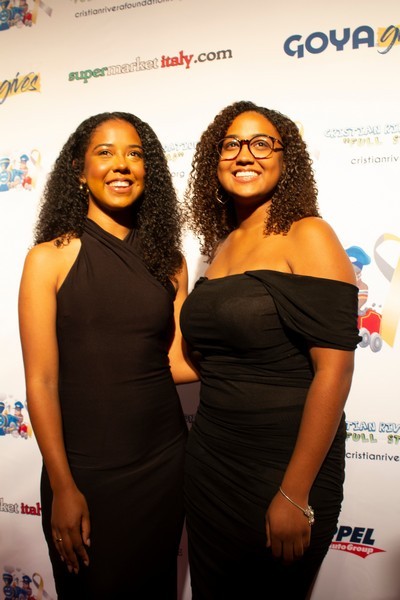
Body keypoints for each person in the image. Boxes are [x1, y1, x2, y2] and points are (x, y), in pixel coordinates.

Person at [180, 100, 361, 599]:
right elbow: (209, 359)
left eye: (262, 143)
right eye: (232, 144)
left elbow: (335, 372)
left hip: (284, 468)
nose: (245, 155)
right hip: (211, 464)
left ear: (287, 158)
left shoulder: (309, 234)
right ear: (215, 161)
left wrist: (294, 492)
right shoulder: (221, 245)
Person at [18, 111, 196, 599]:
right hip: (84, 471)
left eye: (135, 154)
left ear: (148, 171)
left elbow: (176, 363)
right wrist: (63, 485)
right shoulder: (49, 258)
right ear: (79, 171)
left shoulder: (171, 262)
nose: (122, 164)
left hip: (163, 463)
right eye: (105, 152)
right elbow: (41, 382)